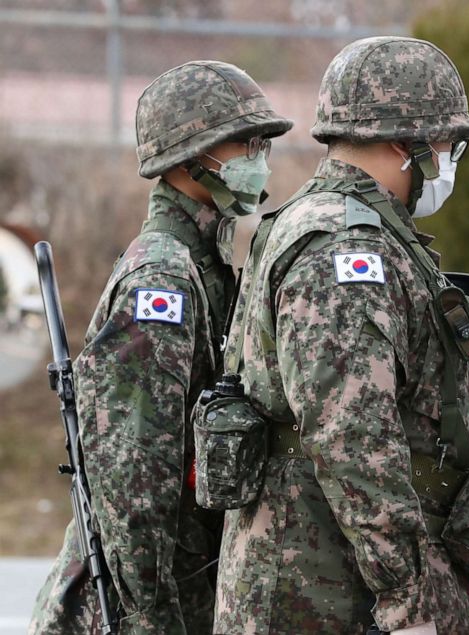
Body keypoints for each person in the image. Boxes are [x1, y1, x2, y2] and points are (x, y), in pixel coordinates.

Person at [212, 36, 469, 635]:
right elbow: (353, 440)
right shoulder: (346, 253)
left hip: (342, 576)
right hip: (328, 592)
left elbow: (426, 365)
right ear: (407, 144)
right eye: (449, 145)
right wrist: (408, 602)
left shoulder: (352, 227)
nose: (451, 161)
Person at [30, 61, 293, 634]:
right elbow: (134, 480)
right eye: (244, 144)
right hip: (137, 607)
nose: (259, 158)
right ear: (191, 158)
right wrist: (154, 615)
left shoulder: (206, 264)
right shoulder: (164, 280)